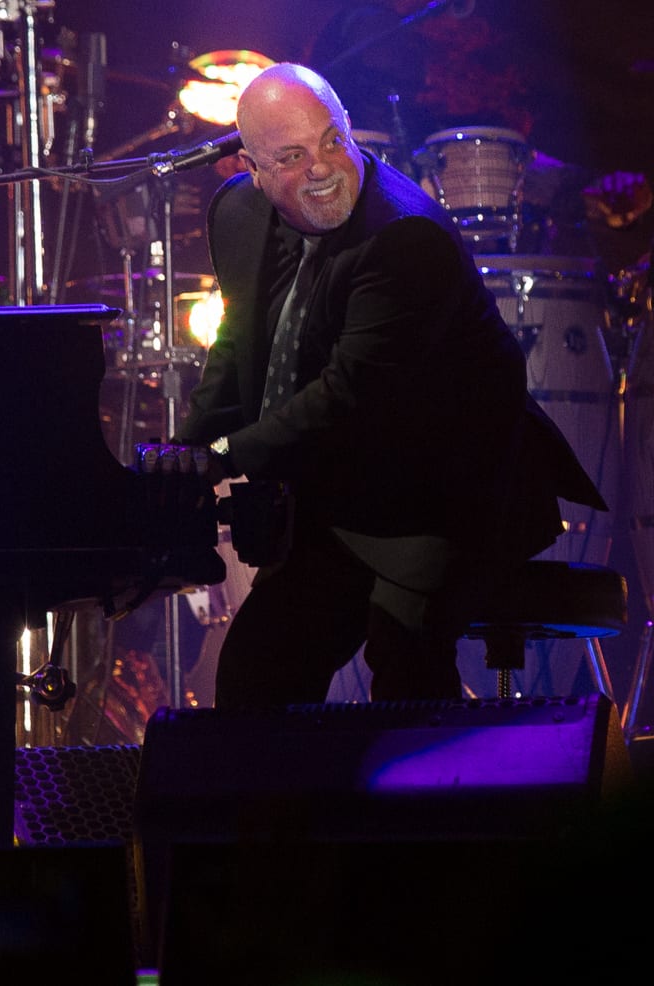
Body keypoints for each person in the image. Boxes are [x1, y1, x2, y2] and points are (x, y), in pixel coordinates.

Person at [168, 63, 605, 707]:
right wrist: (183, 451)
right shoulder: (239, 214)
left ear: (349, 128)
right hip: (345, 487)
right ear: (253, 170)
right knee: (256, 676)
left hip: (445, 493)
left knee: (404, 677)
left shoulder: (406, 236)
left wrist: (223, 456)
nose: (321, 167)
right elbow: (239, 345)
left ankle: (435, 774)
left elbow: (345, 397)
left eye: (331, 140)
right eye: (291, 156)